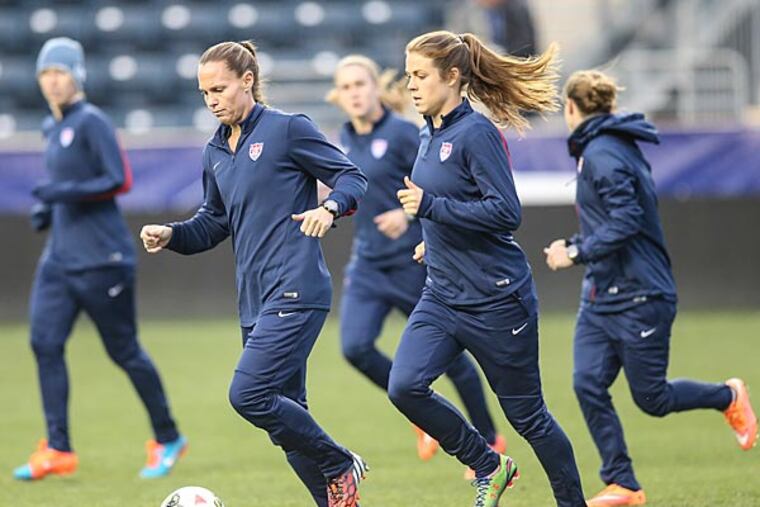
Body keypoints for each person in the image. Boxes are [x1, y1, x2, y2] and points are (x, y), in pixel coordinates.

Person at [140, 41, 369, 507]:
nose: (212, 101)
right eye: (204, 93)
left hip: (298, 287)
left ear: (247, 80)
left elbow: (352, 178)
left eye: (219, 89)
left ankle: (340, 461)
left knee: (248, 394)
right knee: (287, 426)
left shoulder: (288, 129)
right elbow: (214, 223)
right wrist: (172, 234)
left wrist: (330, 207)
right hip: (254, 299)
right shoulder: (214, 152)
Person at [388, 30, 586, 507]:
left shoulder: (477, 133)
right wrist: (431, 243)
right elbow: (451, 209)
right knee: (405, 386)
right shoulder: (426, 132)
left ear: (452, 76)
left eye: (420, 75)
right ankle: (488, 464)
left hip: (497, 301)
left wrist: (431, 208)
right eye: (408, 74)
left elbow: (505, 213)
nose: (410, 85)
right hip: (442, 294)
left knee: (529, 418)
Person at [544, 69, 758, 507]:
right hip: (602, 294)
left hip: (642, 294)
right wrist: (577, 248)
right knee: (586, 383)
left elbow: (627, 221)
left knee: (652, 398)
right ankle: (623, 482)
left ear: (571, 109)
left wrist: (576, 251)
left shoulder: (604, 153)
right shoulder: (600, 148)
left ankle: (728, 395)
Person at [14, 37, 186, 481]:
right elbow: (66, 188)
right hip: (59, 260)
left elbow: (118, 179)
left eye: (60, 72)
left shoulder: (91, 121)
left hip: (102, 259)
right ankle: (57, 447)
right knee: (44, 343)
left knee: (123, 350)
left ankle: (167, 438)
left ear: (77, 76)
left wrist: (59, 194)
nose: (52, 81)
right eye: (45, 74)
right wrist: (47, 208)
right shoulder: (52, 128)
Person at [327, 55, 506, 476]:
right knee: (354, 347)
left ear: (375, 88)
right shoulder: (345, 138)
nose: (354, 93)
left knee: (455, 360)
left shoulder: (406, 134)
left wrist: (406, 215)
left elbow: (438, 184)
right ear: (339, 96)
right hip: (369, 264)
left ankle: (488, 438)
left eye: (360, 84)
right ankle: (421, 417)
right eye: (346, 87)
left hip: (413, 259)